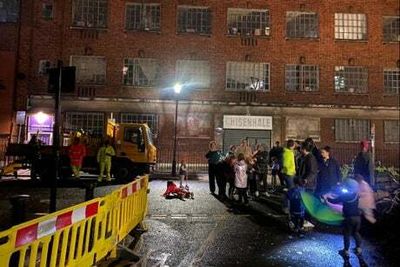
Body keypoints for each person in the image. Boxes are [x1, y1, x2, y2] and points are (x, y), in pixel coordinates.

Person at [325, 178, 363, 259]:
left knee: (347, 234)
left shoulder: (345, 195)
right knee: (356, 232)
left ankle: (346, 251)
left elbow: (334, 201)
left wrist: (326, 198)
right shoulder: (356, 195)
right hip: (358, 218)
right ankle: (359, 248)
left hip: (349, 218)